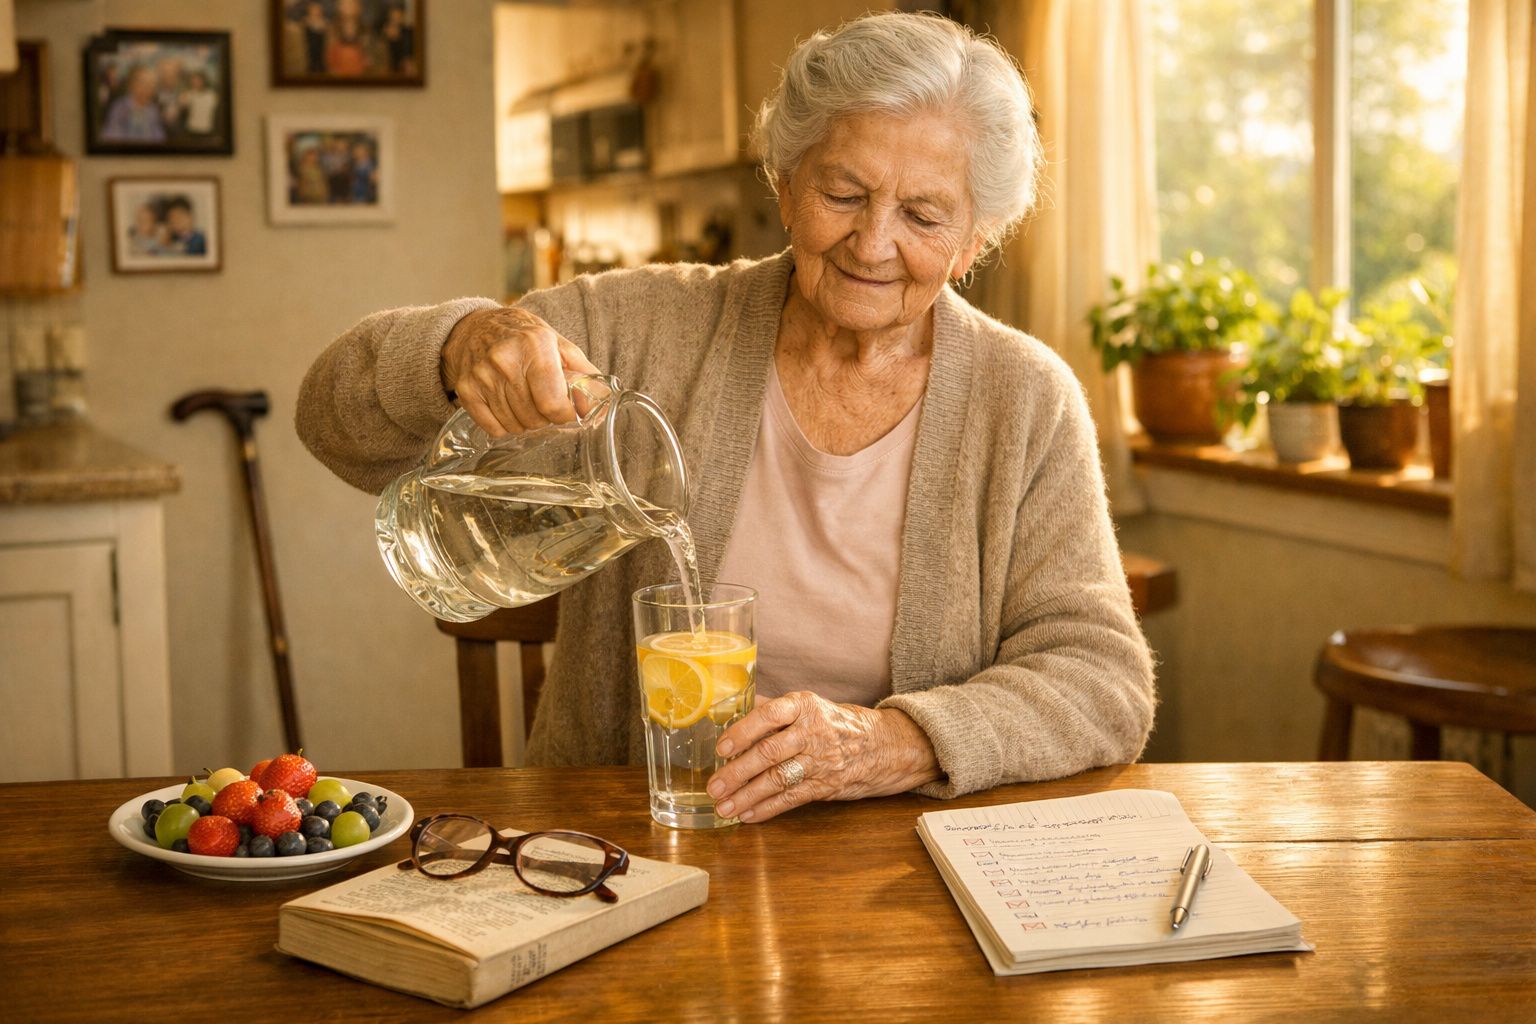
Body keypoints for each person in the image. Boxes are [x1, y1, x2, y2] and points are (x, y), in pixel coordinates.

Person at [297, 13, 1156, 822]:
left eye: (924, 215)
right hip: (625, 836)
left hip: (903, 859)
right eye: (844, 192)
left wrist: (897, 743)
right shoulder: (640, 327)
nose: (872, 243)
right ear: (784, 184)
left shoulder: (1025, 398)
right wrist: (458, 344)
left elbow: (1103, 680)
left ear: (974, 242)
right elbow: (331, 421)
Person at [100, 65, 165, 143]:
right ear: (133, 85)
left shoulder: (153, 110)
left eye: (152, 84)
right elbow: (111, 137)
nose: (150, 88)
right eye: (145, 83)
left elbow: (160, 138)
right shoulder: (119, 108)